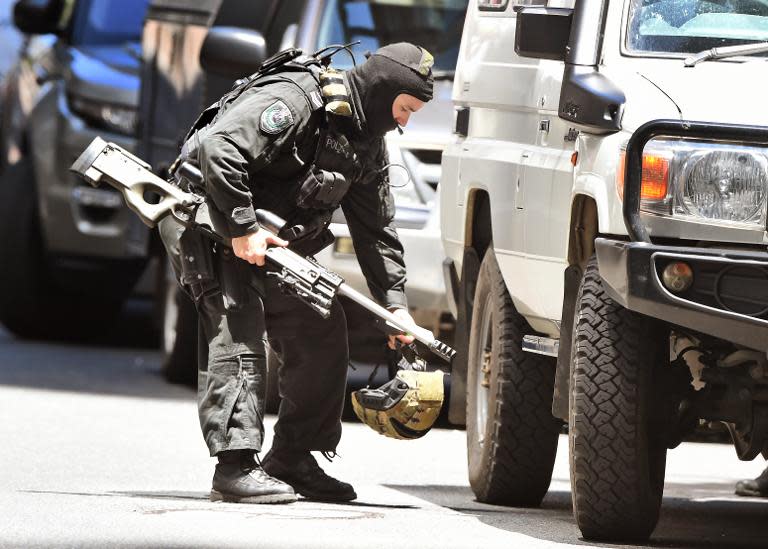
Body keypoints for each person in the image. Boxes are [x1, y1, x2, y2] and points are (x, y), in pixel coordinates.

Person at [158, 42, 434, 504]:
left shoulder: (364, 142)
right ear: (385, 90)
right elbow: (219, 148)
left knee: (320, 327)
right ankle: (235, 465)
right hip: (209, 221)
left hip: (275, 242)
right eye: (405, 108)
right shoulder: (297, 99)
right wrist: (243, 227)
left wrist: (396, 309)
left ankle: (294, 456)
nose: (405, 121)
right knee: (238, 320)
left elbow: (376, 231)